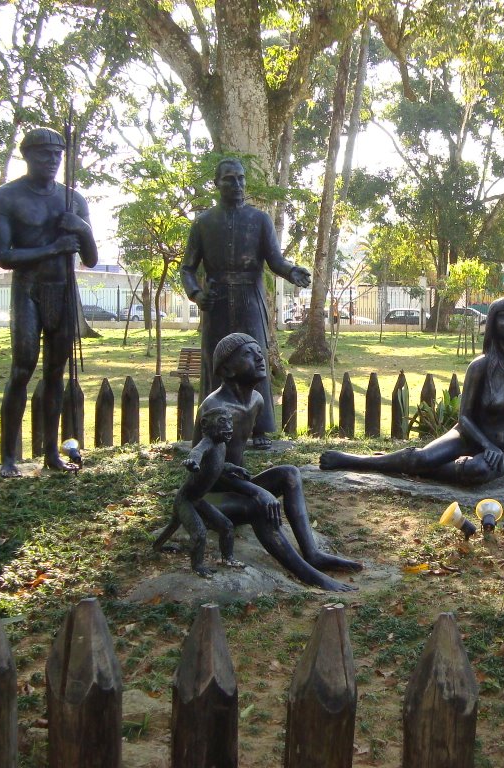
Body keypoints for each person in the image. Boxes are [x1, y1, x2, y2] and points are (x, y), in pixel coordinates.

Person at [320, 297, 504, 486]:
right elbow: (465, 419)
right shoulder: (481, 366)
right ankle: (360, 461)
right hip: (467, 438)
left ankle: (407, 463)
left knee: (475, 471)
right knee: (423, 457)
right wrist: (485, 444)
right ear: (493, 323)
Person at [197, 332, 362, 591]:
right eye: (248, 354)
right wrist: (257, 491)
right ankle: (308, 574)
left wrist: (254, 487)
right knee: (257, 506)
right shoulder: (216, 409)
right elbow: (211, 471)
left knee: (289, 473)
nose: (259, 357)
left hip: (235, 486)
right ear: (227, 370)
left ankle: (312, 553)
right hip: (207, 497)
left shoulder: (256, 401)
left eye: (258, 352)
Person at [0, 127, 98, 477]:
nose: (51, 160)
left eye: (57, 154)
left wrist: (81, 228)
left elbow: (92, 259)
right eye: (43, 154)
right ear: (27, 155)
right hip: (28, 290)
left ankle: (51, 452)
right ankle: (9, 457)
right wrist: (53, 247)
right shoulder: (6, 197)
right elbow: (4, 256)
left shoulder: (73, 199)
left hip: (63, 289)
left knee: (55, 373)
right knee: (22, 369)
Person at [182, 158, 311, 449]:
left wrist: (291, 271)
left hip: (249, 298)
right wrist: (196, 294)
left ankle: (260, 428)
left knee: (255, 359)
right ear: (217, 183)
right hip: (216, 301)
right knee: (216, 364)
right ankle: (211, 428)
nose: (237, 185)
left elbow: (274, 259)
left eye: (241, 179)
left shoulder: (260, 219)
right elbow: (187, 268)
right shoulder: (203, 222)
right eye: (230, 179)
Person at [152, 405, 249, 576]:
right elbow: (196, 452)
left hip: (198, 499)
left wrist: (234, 468)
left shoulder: (221, 445)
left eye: (229, 422)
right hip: (186, 500)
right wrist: (192, 462)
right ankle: (197, 566)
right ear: (205, 424)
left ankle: (228, 558)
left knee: (226, 526)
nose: (229, 427)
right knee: (200, 533)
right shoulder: (208, 443)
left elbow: (217, 467)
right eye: (222, 422)